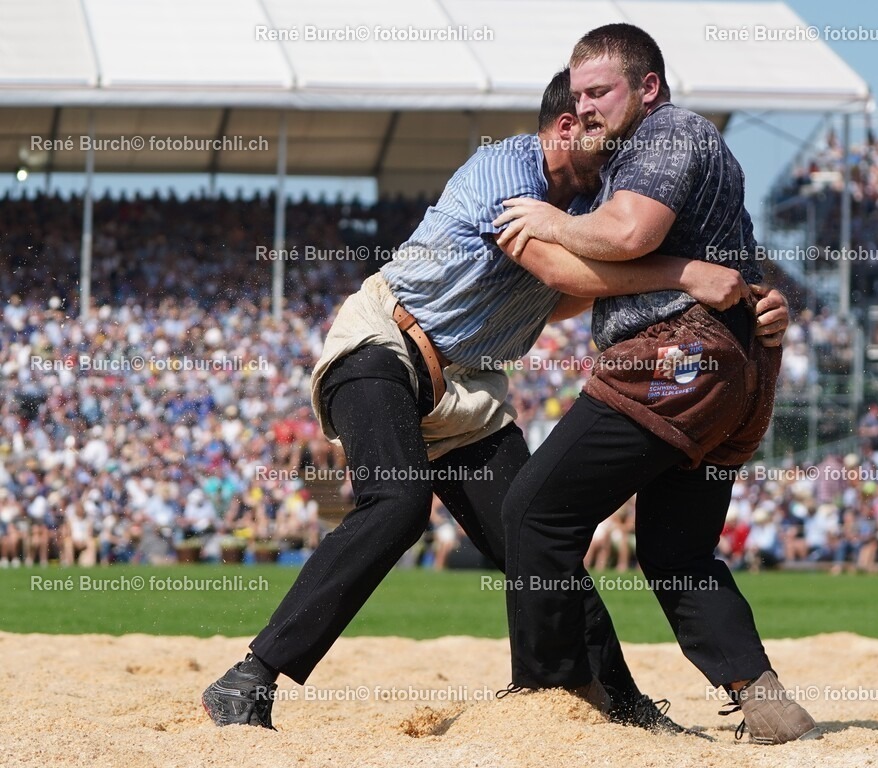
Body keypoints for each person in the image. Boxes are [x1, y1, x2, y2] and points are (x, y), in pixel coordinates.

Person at [202, 68, 791, 733]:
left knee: (537, 535)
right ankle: (250, 677)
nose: (615, 146)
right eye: (597, 129)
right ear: (565, 127)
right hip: (384, 343)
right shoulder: (505, 170)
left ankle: (626, 707)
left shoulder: (589, 207)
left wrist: (747, 294)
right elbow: (559, 271)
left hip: (467, 389)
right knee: (397, 506)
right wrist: (685, 275)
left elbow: (579, 292)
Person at [495, 25, 817, 744]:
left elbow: (631, 233)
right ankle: (764, 700)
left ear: (649, 88)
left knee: (533, 513)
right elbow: (726, 266)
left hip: (677, 360)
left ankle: (556, 691)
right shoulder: (657, 158)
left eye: (600, 92)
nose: (586, 109)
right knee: (677, 551)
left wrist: (549, 221)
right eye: (577, 96)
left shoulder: (671, 133)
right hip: (732, 371)